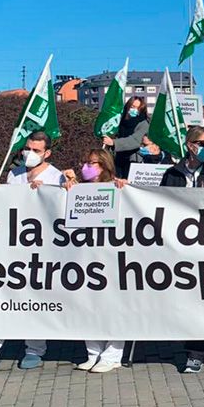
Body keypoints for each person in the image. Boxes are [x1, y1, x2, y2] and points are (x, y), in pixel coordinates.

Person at [0, 132, 64, 376]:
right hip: (11, 247)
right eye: (27, 148)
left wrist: (48, 191)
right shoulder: (14, 174)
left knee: (35, 300)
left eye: (36, 150)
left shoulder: (56, 175)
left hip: (41, 249)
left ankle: (34, 350)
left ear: (47, 153)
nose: (29, 153)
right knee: (0, 298)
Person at [159, 126, 204, 373]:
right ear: (190, 145)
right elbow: (158, 203)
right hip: (178, 245)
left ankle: (195, 352)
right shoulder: (171, 173)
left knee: (202, 298)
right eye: (203, 142)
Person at [63, 148, 128, 374]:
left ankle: (112, 354)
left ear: (105, 166)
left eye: (93, 164)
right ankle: (93, 352)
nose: (87, 167)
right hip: (84, 258)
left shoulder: (117, 187)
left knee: (113, 307)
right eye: (86, 163)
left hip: (111, 258)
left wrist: (126, 189)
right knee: (86, 306)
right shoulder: (78, 189)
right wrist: (67, 190)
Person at [106, 96, 149, 178]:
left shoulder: (143, 124)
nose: (134, 110)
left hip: (134, 161)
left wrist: (114, 142)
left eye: (138, 108)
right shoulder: (120, 122)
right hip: (118, 160)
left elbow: (135, 141)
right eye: (132, 107)